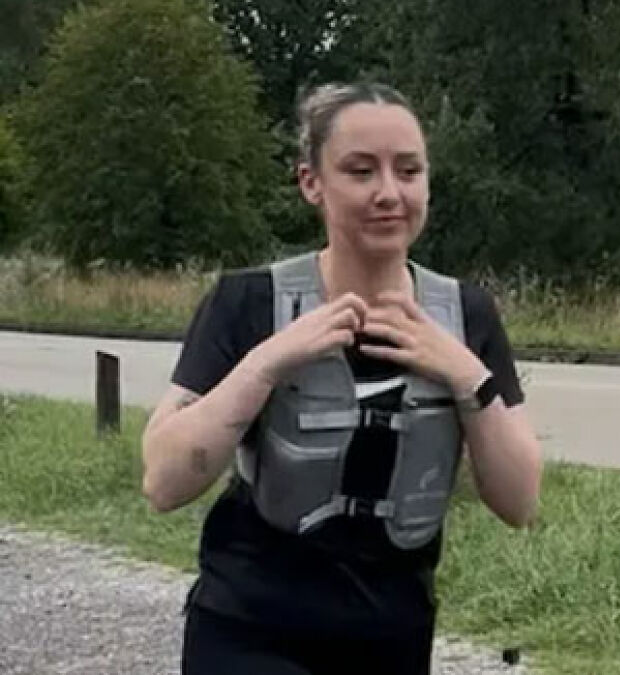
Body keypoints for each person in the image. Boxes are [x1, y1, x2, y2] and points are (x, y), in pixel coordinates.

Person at [140, 82, 542, 675]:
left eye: (409, 171)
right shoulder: (250, 302)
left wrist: (464, 372)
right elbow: (164, 483)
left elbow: (520, 501)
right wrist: (265, 364)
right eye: (361, 171)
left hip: (391, 634)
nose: (389, 193)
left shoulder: (465, 315)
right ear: (312, 182)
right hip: (251, 630)